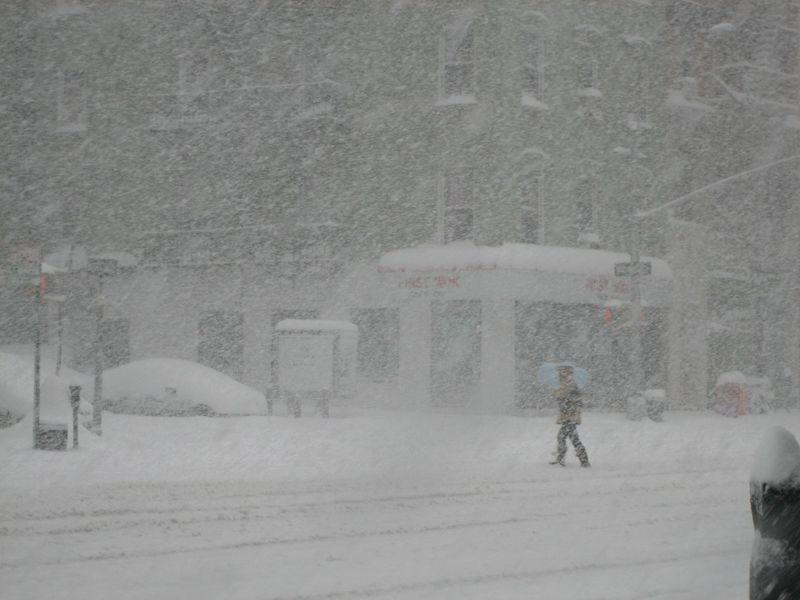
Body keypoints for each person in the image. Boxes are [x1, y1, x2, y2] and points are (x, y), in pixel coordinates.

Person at [550, 365, 590, 467]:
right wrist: (558, 396)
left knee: (564, 438)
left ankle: (563, 459)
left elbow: (577, 402)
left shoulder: (571, 386)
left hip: (570, 417)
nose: (559, 375)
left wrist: (563, 399)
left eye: (561, 373)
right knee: (570, 438)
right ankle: (583, 460)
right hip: (568, 417)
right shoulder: (565, 386)